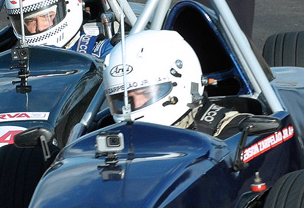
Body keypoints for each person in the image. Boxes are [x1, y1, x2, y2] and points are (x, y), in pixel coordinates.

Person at [102, 30, 251, 137]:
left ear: (183, 83)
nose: (136, 104)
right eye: (124, 99)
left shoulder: (231, 132)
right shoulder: (108, 138)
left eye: (146, 93)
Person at [3, 0, 108, 58]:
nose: (39, 27)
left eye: (46, 16)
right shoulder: (11, 60)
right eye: (30, 21)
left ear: (70, 7)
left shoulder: (100, 51)